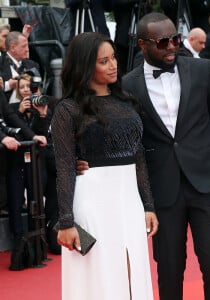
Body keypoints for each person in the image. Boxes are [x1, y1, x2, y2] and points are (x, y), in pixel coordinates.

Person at [76, 12, 210, 300]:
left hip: (209, 185)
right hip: (161, 192)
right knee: (168, 270)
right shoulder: (127, 85)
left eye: (175, 39)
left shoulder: (201, 69)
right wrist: (86, 162)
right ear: (142, 44)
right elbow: (118, 135)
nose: (171, 46)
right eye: (163, 41)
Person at [51, 32, 158, 300]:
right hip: (92, 200)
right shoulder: (69, 109)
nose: (113, 66)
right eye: (103, 61)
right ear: (86, 65)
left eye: (113, 58)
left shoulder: (126, 101)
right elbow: (64, 166)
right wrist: (66, 221)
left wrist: (148, 205)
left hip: (129, 199)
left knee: (134, 271)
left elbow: (139, 155)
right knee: (99, 277)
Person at [7, 73, 50, 270]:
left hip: (35, 164)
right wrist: (19, 111)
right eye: (22, 87)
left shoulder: (41, 107)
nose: (26, 90)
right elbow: (19, 129)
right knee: (17, 204)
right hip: (16, 164)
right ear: (17, 90)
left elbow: (41, 137)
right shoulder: (12, 111)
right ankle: (19, 250)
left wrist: (40, 114)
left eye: (29, 87)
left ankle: (38, 250)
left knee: (37, 204)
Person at [0, 31, 40, 102]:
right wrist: (8, 85)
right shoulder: (1, 63)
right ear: (13, 48)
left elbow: (39, 88)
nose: (27, 50)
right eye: (23, 46)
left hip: (30, 107)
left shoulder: (33, 65)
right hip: (6, 109)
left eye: (27, 46)